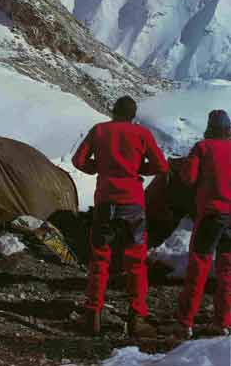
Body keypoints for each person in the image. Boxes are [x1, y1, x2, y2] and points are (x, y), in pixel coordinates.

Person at [72, 96, 168, 336]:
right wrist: (138, 169)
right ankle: (137, 317)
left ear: (114, 112)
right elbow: (162, 167)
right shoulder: (142, 134)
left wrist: (101, 168)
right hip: (133, 204)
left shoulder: (100, 130)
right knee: (136, 262)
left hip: (105, 201)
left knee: (100, 259)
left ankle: (92, 315)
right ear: (133, 115)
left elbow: (78, 161)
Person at [176, 110, 231, 338]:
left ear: (209, 128)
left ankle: (185, 322)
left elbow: (188, 178)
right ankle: (223, 323)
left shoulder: (202, 148)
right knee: (227, 271)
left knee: (198, 268)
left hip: (210, 216)